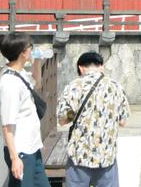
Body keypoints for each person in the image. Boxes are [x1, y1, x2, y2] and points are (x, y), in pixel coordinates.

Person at [56, 51, 130, 187]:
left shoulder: (73, 87)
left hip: (79, 155)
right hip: (106, 154)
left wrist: (77, 113)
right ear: (101, 66)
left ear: (80, 68)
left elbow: (63, 120)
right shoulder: (116, 87)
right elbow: (122, 121)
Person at [0, 33, 50, 187]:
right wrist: (14, 158)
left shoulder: (18, 73)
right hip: (21, 150)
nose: (32, 49)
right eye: (30, 48)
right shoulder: (10, 84)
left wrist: (37, 60)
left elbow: (36, 83)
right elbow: (7, 124)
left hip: (32, 147)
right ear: (22, 53)